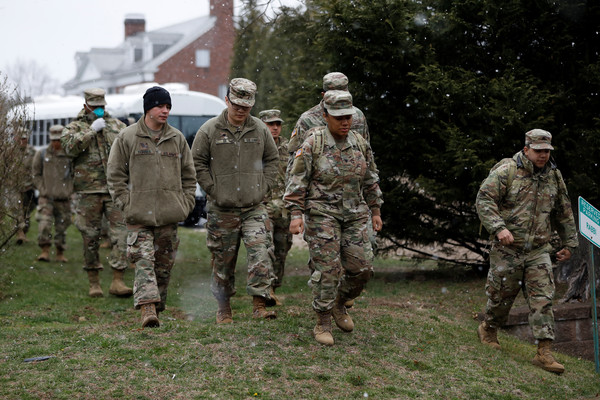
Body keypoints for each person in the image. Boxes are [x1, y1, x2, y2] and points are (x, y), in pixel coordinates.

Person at [284, 90, 383, 346]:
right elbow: (297, 180)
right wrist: (296, 214)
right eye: (338, 117)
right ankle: (323, 319)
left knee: (362, 268)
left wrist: (375, 209)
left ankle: (340, 303)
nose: (344, 122)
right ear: (325, 116)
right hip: (321, 213)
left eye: (348, 116)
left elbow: (370, 178)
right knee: (328, 269)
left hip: (354, 213)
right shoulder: (313, 142)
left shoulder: (359, 143)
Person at [476, 129, 579, 374]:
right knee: (501, 297)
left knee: (543, 300)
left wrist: (570, 244)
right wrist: (499, 228)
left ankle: (544, 352)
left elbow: (563, 210)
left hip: (539, 251)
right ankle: (488, 328)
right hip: (508, 249)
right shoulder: (507, 171)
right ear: (526, 149)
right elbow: (484, 200)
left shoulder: (553, 176)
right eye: (538, 150)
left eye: (546, 151)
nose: (543, 155)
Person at [191, 78, 279, 324]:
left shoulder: (260, 129)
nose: (241, 110)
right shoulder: (209, 130)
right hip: (222, 208)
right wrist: (212, 188)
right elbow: (196, 162)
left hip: (254, 207)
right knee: (223, 260)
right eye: (237, 105)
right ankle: (223, 307)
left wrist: (264, 186)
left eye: (246, 106)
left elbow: (272, 159)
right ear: (227, 100)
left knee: (261, 252)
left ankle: (260, 303)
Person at [107, 86, 196, 328]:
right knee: (144, 261)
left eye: (168, 107)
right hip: (139, 216)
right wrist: (126, 204)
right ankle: (147, 310)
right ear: (148, 109)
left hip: (169, 216)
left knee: (163, 268)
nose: (165, 111)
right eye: (160, 106)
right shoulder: (127, 137)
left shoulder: (176, 139)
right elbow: (115, 176)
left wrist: (185, 204)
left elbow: (189, 176)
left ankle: (156, 308)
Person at [61, 88, 132, 298]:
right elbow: (69, 149)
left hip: (114, 189)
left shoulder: (117, 126)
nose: (99, 111)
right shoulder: (74, 127)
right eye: (95, 107)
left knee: (122, 234)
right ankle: (94, 281)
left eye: (101, 107)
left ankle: (118, 280)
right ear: (86, 106)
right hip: (88, 191)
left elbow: (129, 152)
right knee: (90, 237)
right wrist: (91, 131)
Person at [287, 72, 370, 161]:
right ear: (323, 95)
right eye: (334, 96)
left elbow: (366, 151)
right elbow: (294, 158)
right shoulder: (308, 119)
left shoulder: (358, 115)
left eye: (343, 95)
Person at [259, 109, 292, 306]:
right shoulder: (256, 148)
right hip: (262, 206)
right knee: (266, 248)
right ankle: (266, 288)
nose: (275, 128)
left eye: (278, 124)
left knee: (282, 248)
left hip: (285, 209)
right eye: (271, 124)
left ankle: (275, 286)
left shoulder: (289, 148)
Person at [32, 124, 73, 262]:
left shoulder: (70, 155)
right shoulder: (42, 153)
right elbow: (36, 174)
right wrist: (42, 189)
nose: (56, 143)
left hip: (63, 199)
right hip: (46, 198)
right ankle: (45, 250)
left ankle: (60, 252)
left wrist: (70, 190)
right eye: (54, 140)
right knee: (44, 224)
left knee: (62, 227)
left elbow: (76, 175)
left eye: (59, 140)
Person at [15, 128, 37, 245]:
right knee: (18, 210)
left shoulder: (33, 151)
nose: (22, 141)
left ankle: (23, 232)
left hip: (29, 186)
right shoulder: (10, 152)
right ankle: (20, 233)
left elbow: (37, 168)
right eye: (20, 138)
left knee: (27, 211)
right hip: (14, 185)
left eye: (24, 138)